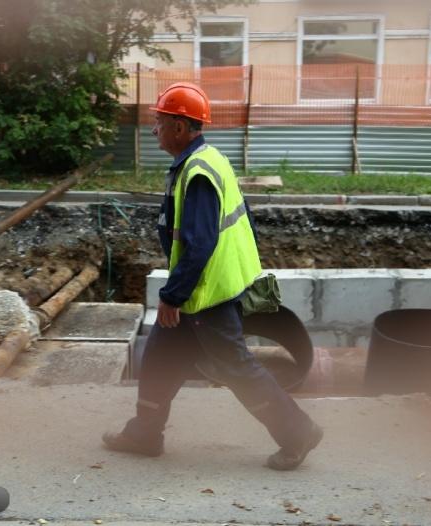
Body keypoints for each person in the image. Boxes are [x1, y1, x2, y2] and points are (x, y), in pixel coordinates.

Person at [102, 82, 322, 470]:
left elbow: (199, 243)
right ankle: (144, 433)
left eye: (160, 122)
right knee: (159, 356)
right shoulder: (208, 159)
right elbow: (242, 222)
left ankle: (297, 433)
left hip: (207, 295)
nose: (154, 130)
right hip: (203, 291)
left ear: (181, 128)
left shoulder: (198, 172)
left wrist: (173, 296)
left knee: (236, 368)